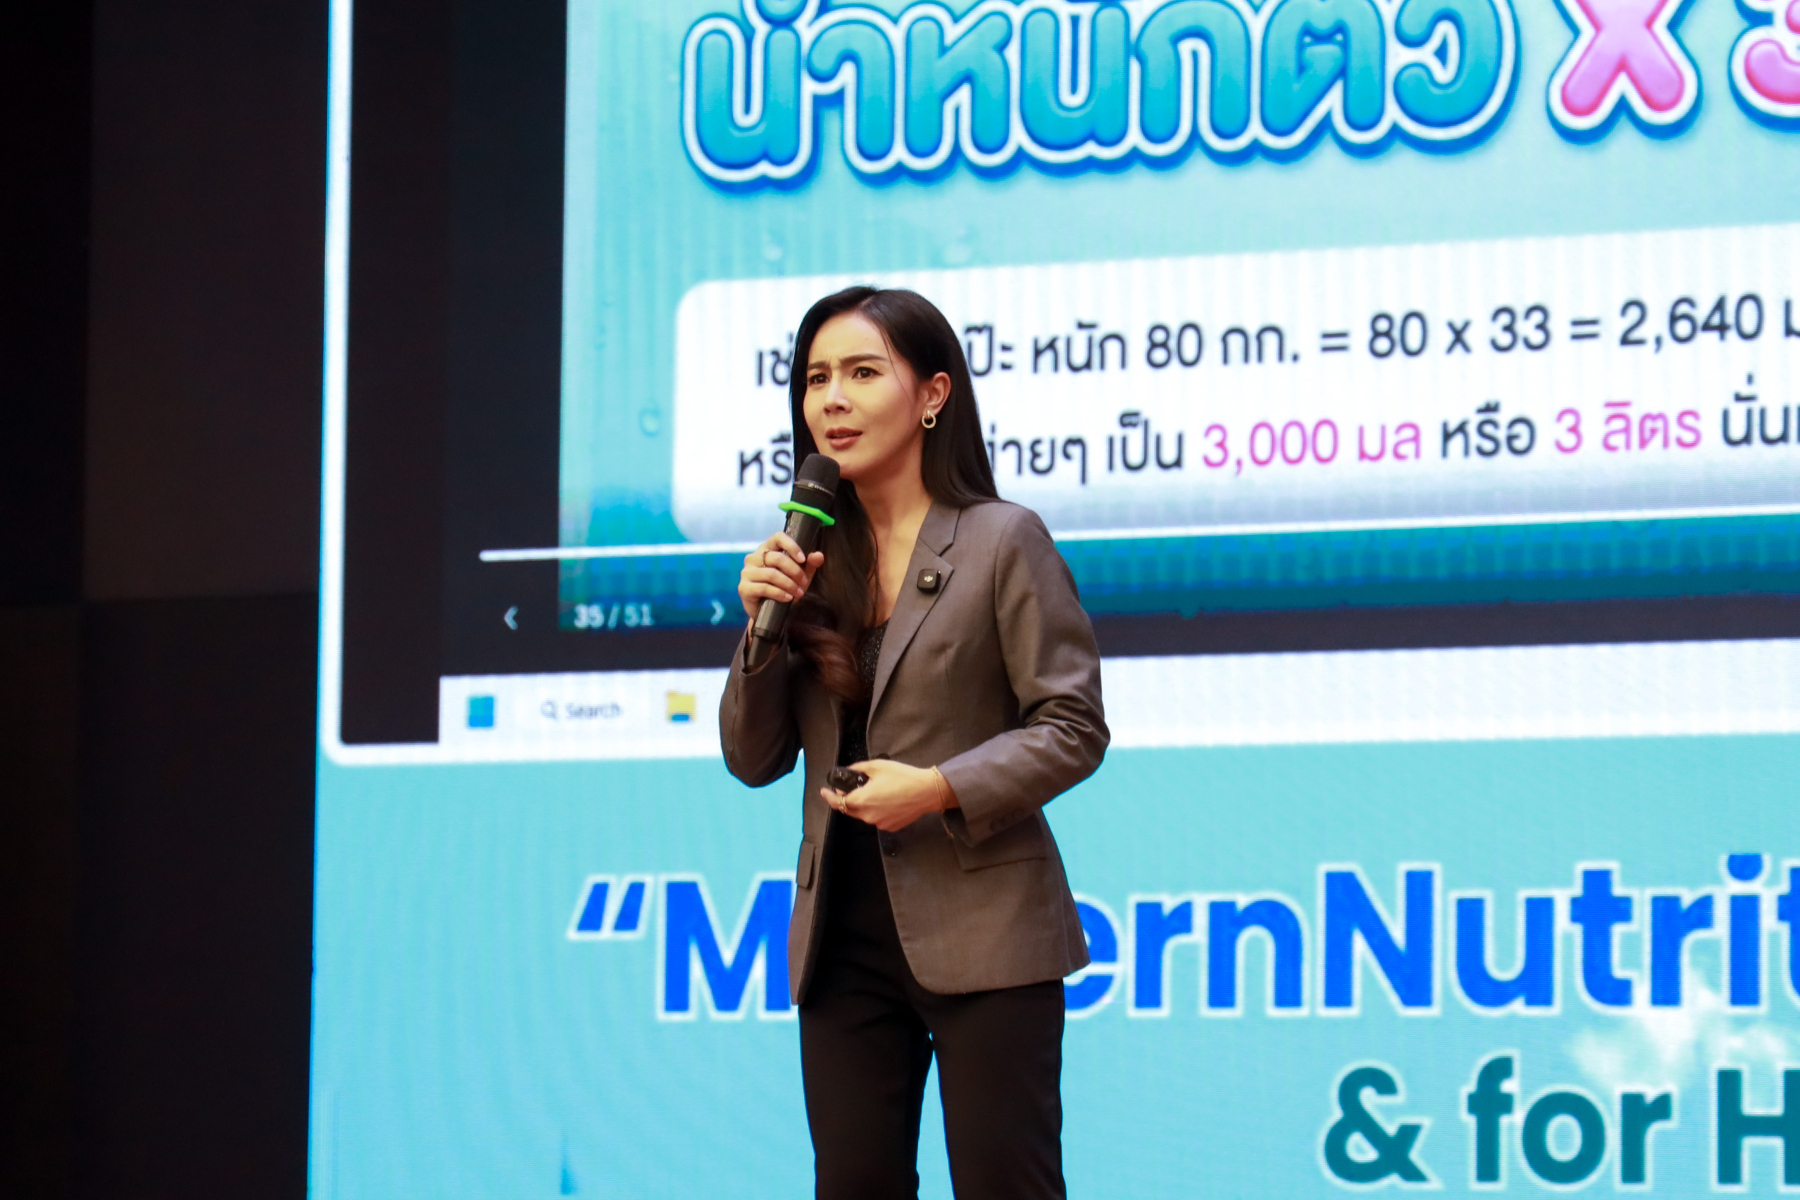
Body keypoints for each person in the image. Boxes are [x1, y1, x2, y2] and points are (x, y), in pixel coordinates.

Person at [719, 285, 1109, 1200]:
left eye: (862, 373)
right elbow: (752, 759)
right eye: (816, 378)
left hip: (987, 927)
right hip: (840, 939)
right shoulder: (808, 557)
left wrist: (938, 788)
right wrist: (760, 629)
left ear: (933, 394)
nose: (833, 400)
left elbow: (1074, 726)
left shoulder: (1002, 540)